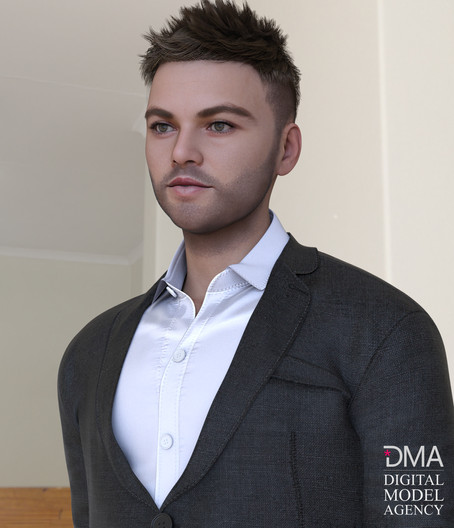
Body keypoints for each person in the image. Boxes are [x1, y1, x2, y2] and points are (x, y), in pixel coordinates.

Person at [58, 1, 454, 526]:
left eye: (219, 124)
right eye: (162, 126)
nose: (181, 152)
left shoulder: (385, 329)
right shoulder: (87, 353)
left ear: (286, 149)